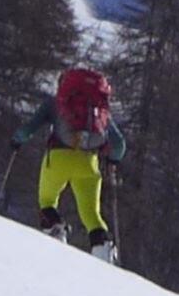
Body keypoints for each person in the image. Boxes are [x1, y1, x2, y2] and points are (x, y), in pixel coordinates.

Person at [13, 66, 126, 259]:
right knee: (91, 214)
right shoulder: (99, 109)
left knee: (47, 201)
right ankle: (103, 249)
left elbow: (28, 129)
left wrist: (16, 141)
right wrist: (112, 160)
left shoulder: (55, 103)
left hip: (59, 158)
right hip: (89, 163)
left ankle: (56, 231)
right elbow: (119, 145)